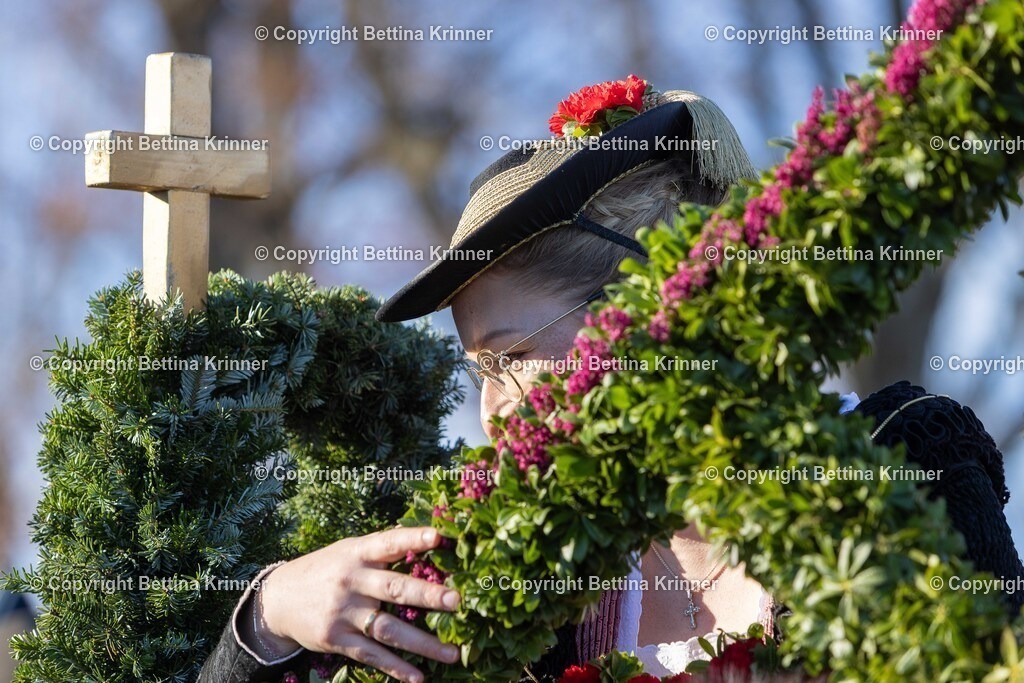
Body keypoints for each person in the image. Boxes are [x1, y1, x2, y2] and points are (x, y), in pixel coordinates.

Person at [199, 78, 1024, 682]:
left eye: (511, 357)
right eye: (477, 370)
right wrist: (271, 616)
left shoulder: (898, 459)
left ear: (646, 316)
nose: (491, 409)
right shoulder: (525, 560)